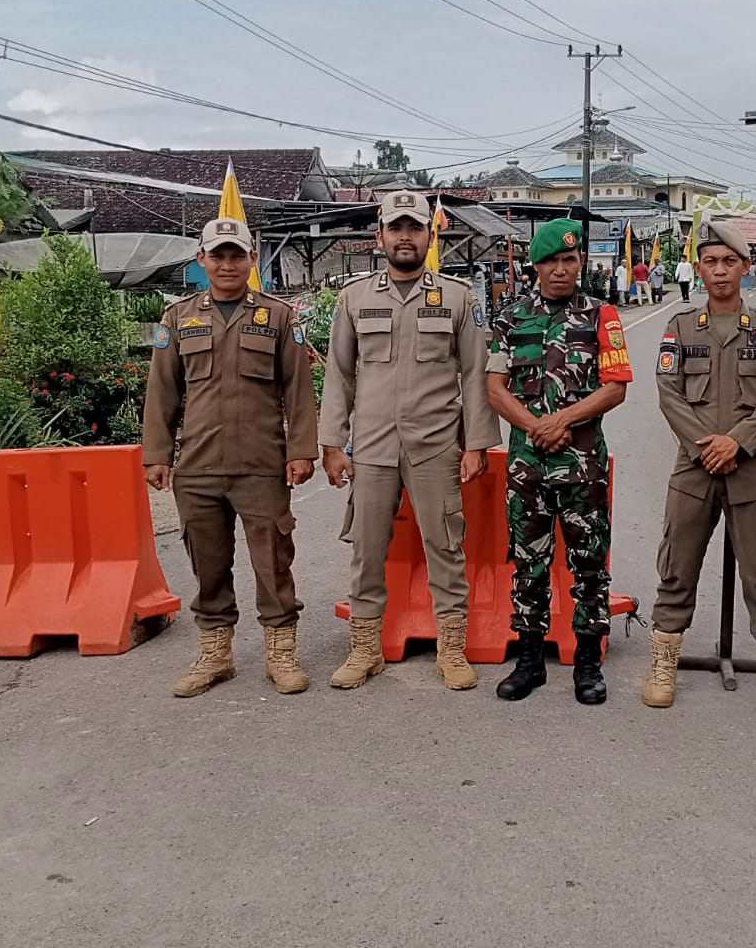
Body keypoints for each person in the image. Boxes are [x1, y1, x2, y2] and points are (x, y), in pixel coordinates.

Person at [318, 191, 503, 691]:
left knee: (445, 546)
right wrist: (332, 442)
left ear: (429, 234)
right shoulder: (355, 298)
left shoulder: (458, 297)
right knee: (366, 549)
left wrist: (476, 443)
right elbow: (339, 376)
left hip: (436, 444)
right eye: (396, 228)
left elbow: (474, 373)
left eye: (414, 227)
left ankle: (451, 651)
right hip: (373, 448)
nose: (405, 236)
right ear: (379, 235)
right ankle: (364, 650)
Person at [143, 217, 320, 698]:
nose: (227, 264)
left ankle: (280, 653)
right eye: (217, 255)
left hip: (262, 464)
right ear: (201, 260)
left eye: (236, 255)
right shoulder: (178, 319)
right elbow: (162, 392)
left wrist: (302, 450)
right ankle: (215, 655)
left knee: (273, 562)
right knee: (208, 564)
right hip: (197, 468)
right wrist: (157, 454)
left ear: (252, 259)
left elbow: (298, 390)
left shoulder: (278, 317)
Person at [642, 219, 756, 720]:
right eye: (710, 261)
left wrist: (738, 442)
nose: (719, 270)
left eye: (729, 261)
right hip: (694, 466)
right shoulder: (681, 327)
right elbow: (669, 393)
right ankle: (664, 661)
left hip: (750, 467)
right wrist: (704, 444)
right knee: (677, 565)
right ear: (700, 268)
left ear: (745, 268)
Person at [485, 219, 632, 705]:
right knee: (528, 563)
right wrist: (535, 427)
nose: (561, 269)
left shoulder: (601, 315)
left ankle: (587, 663)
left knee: (589, 563)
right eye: (551, 261)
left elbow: (614, 387)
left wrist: (561, 419)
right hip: (528, 466)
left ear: (581, 262)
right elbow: (494, 388)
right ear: (536, 265)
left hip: (583, 465)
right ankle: (529, 661)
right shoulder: (510, 317)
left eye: (570, 260)